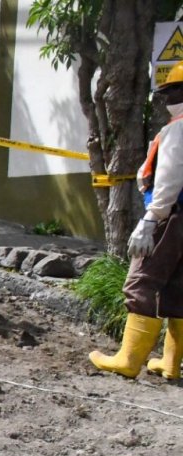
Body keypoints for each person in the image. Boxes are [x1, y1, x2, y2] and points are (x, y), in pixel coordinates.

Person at [90, 63, 183, 380]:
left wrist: (149, 220)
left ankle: (128, 360)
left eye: (172, 91)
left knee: (142, 281)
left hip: (171, 218)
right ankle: (170, 364)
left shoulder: (178, 129)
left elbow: (169, 180)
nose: (168, 99)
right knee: (178, 288)